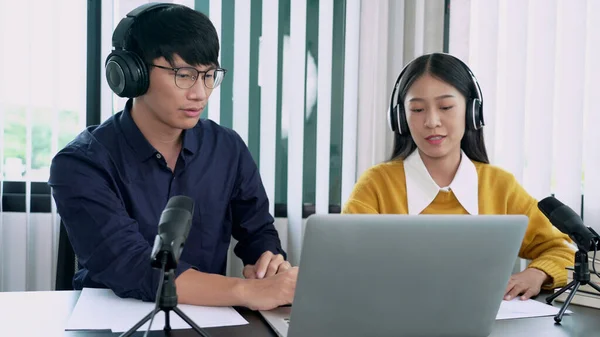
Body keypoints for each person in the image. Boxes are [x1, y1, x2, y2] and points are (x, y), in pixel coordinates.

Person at [48, 3, 296, 311]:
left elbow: (257, 232)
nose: (200, 93)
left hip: (204, 319)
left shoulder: (227, 148)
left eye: (209, 76)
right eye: (184, 74)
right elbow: (133, 266)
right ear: (132, 73)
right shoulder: (81, 163)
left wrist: (267, 264)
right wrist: (247, 291)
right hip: (112, 321)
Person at [342, 53, 574, 301]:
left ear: (472, 112)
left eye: (446, 107)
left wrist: (537, 274)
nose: (431, 121)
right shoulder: (377, 185)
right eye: (417, 109)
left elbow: (563, 250)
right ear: (401, 119)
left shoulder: (499, 186)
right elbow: (341, 261)